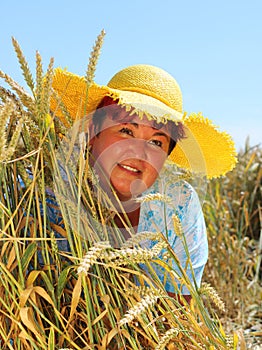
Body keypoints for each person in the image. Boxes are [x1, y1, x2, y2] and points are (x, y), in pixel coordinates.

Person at [50, 64, 237, 301]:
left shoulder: (178, 206)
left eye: (156, 143)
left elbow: (175, 313)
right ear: (92, 131)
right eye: (126, 130)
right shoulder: (44, 192)